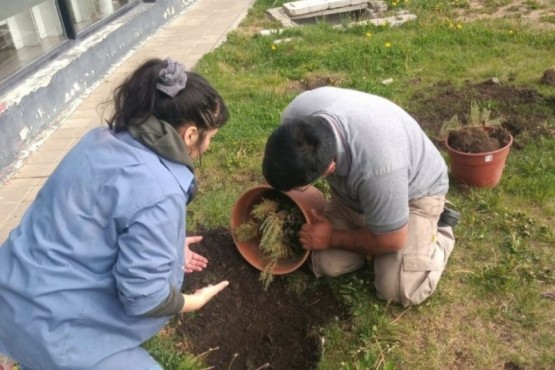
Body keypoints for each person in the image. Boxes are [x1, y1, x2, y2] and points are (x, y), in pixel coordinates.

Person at [0, 58, 230, 370]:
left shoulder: (96, 141)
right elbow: (145, 297)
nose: (208, 147)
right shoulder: (160, 191)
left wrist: (168, 245)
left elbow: (89, 222)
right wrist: (193, 301)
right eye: (210, 138)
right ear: (190, 134)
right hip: (58, 335)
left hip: (10, 299)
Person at [262, 86, 459, 307]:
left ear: (330, 168)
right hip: (354, 193)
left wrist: (331, 238)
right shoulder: (296, 116)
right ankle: (376, 236)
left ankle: (439, 229)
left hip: (413, 195)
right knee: (325, 263)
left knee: (399, 288)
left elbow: (392, 240)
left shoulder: (379, 169)